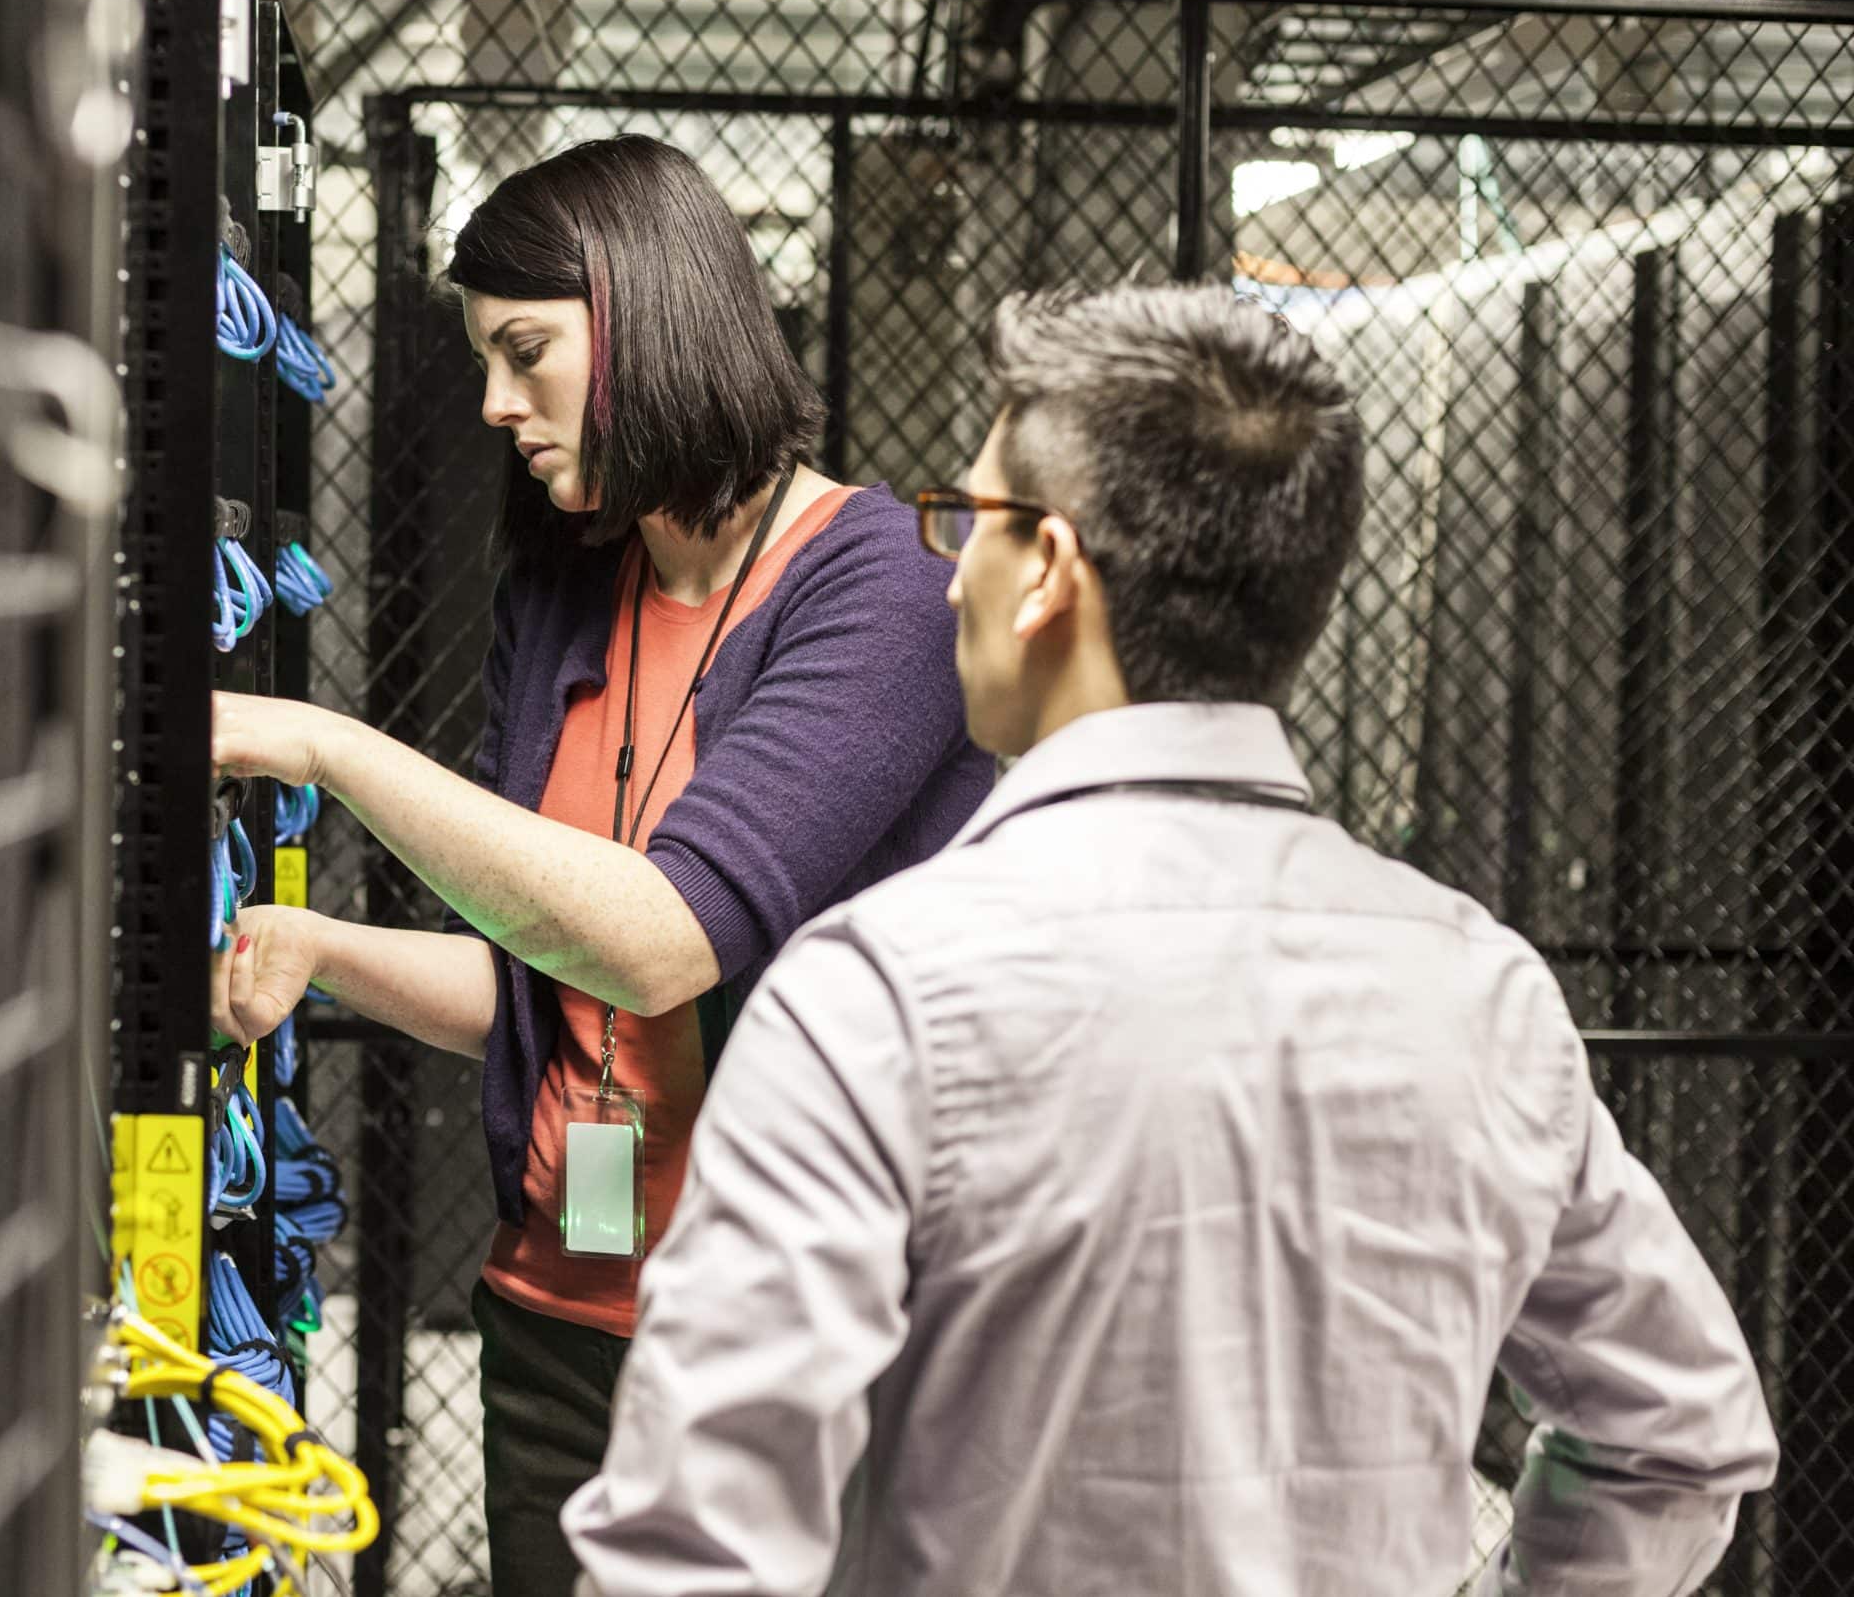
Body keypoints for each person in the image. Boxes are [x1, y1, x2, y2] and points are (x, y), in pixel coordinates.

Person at [563, 285, 1779, 1597]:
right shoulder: (1485, 998)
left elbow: (694, 1549)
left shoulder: (879, 996)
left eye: (969, 523)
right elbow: (1677, 1437)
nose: (952, 565)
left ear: (1047, 574)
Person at [206, 134, 991, 1591]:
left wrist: (325, 745)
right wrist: (326, 954)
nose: (497, 403)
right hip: (558, 1323)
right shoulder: (571, 589)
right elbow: (552, 981)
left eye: (526, 352)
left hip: (802, 1348)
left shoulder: (883, 589)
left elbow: (657, 938)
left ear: (647, 313)